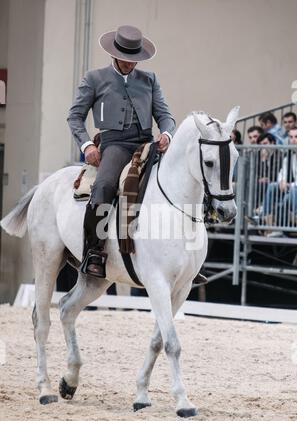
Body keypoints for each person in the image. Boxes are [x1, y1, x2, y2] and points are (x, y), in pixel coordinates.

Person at [68, 25, 207, 285]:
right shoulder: (94, 78)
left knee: (180, 185)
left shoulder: (149, 80)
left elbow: (165, 115)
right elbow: (75, 116)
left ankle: (189, 258)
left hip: (146, 144)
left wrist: (167, 134)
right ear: (114, 55)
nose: (131, 64)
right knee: (105, 185)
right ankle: (94, 251)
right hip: (114, 145)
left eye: (135, 60)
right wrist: (87, 145)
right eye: (126, 59)